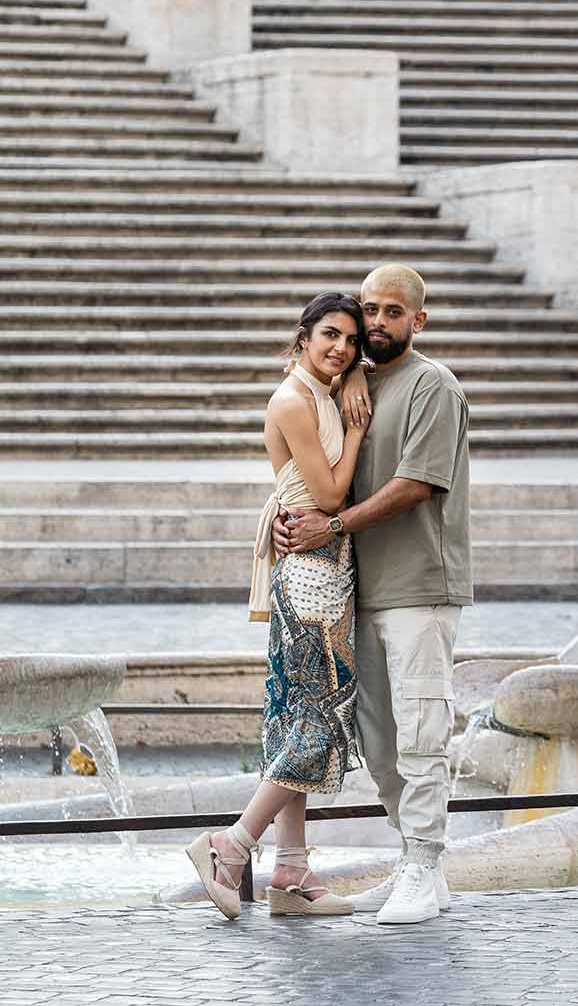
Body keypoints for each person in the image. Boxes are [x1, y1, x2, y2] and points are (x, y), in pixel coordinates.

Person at [275, 262, 471, 926]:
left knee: (422, 732)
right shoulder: (348, 385)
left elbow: (416, 484)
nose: (378, 322)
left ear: (419, 319)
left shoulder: (433, 387)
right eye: (370, 311)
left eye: (393, 312)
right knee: (378, 741)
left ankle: (424, 864)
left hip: (420, 585)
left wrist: (331, 525)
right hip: (361, 589)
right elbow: (317, 471)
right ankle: (418, 862)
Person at [185, 291, 369, 921]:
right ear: (303, 337)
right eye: (329, 336)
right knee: (318, 721)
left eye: (351, 339)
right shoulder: (295, 400)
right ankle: (230, 846)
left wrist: (354, 385)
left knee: (294, 719)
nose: (341, 348)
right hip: (312, 575)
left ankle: (290, 875)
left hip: (323, 568)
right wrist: (360, 427)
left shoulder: (326, 390)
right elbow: (331, 491)